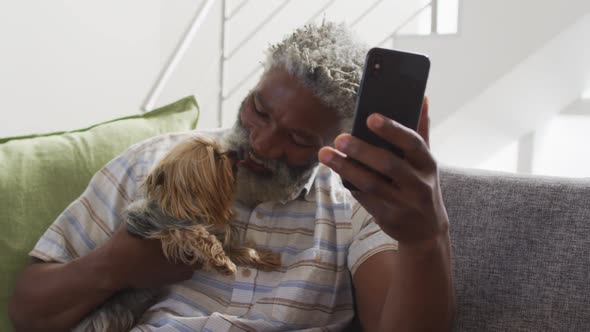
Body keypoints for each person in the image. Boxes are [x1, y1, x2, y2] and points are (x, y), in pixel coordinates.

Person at [9, 21, 454, 331]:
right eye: (259, 109)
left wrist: (423, 239)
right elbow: (29, 312)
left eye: (298, 138)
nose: (261, 144)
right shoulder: (157, 161)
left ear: (335, 140)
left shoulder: (357, 205)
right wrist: (116, 264)